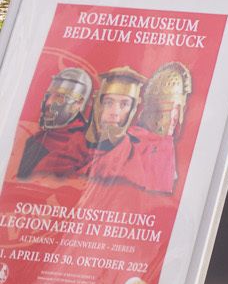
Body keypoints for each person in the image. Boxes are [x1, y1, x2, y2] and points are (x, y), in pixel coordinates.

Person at [18, 67, 177, 194]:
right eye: (108, 102)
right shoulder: (68, 145)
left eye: (124, 105)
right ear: (98, 103)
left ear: (133, 109)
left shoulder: (143, 152)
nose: (114, 112)